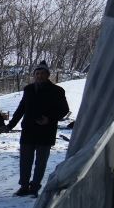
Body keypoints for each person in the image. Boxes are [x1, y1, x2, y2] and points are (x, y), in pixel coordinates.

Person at [6, 61, 70, 197]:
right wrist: (10, 125)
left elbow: (64, 109)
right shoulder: (28, 89)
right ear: (34, 75)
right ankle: (24, 186)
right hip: (28, 130)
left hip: (46, 131)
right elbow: (21, 109)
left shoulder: (57, 91)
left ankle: (35, 187)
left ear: (48, 75)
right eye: (37, 73)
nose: (39, 76)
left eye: (42, 73)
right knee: (25, 160)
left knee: (40, 162)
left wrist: (49, 118)